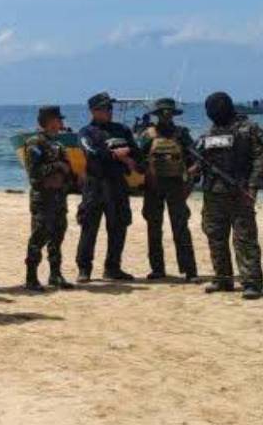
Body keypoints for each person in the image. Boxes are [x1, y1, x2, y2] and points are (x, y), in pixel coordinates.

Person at [196, 91, 263, 299]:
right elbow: (200, 161)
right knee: (215, 235)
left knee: (244, 238)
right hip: (213, 193)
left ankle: (252, 282)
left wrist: (252, 187)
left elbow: (259, 159)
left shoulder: (249, 129)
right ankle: (223, 279)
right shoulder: (209, 134)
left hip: (240, 191)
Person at [75, 91, 141, 283]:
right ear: (94, 111)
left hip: (117, 183)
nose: (109, 111)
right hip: (95, 184)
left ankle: (113, 268)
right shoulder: (86, 132)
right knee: (89, 226)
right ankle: (84, 269)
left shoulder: (122, 130)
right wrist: (114, 155)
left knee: (119, 226)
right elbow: (91, 153)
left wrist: (128, 154)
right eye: (105, 108)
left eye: (111, 108)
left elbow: (136, 153)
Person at [137, 97, 198, 282]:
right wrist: (147, 169)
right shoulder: (148, 135)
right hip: (153, 186)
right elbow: (139, 160)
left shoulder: (182, 134)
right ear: (157, 115)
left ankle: (189, 270)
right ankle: (157, 269)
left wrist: (191, 178)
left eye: (169, 113)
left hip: (176, 185)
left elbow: (194, 158)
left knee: (180, 228)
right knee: (154, 228)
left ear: (173, 115)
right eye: (163, 113)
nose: (166, 116)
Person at [23, 105, 76, 291]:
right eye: (58, 120)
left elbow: (69, 170)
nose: (61, 123)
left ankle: (55, 274)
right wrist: (57, 166)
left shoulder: (58, 144)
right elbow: (34, 172)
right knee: (39, 236)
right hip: (43, 197)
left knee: (57, 236)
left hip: (59, 196)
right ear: (49, 121)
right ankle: (31, 277)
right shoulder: (34, 143)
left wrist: (66, 174)